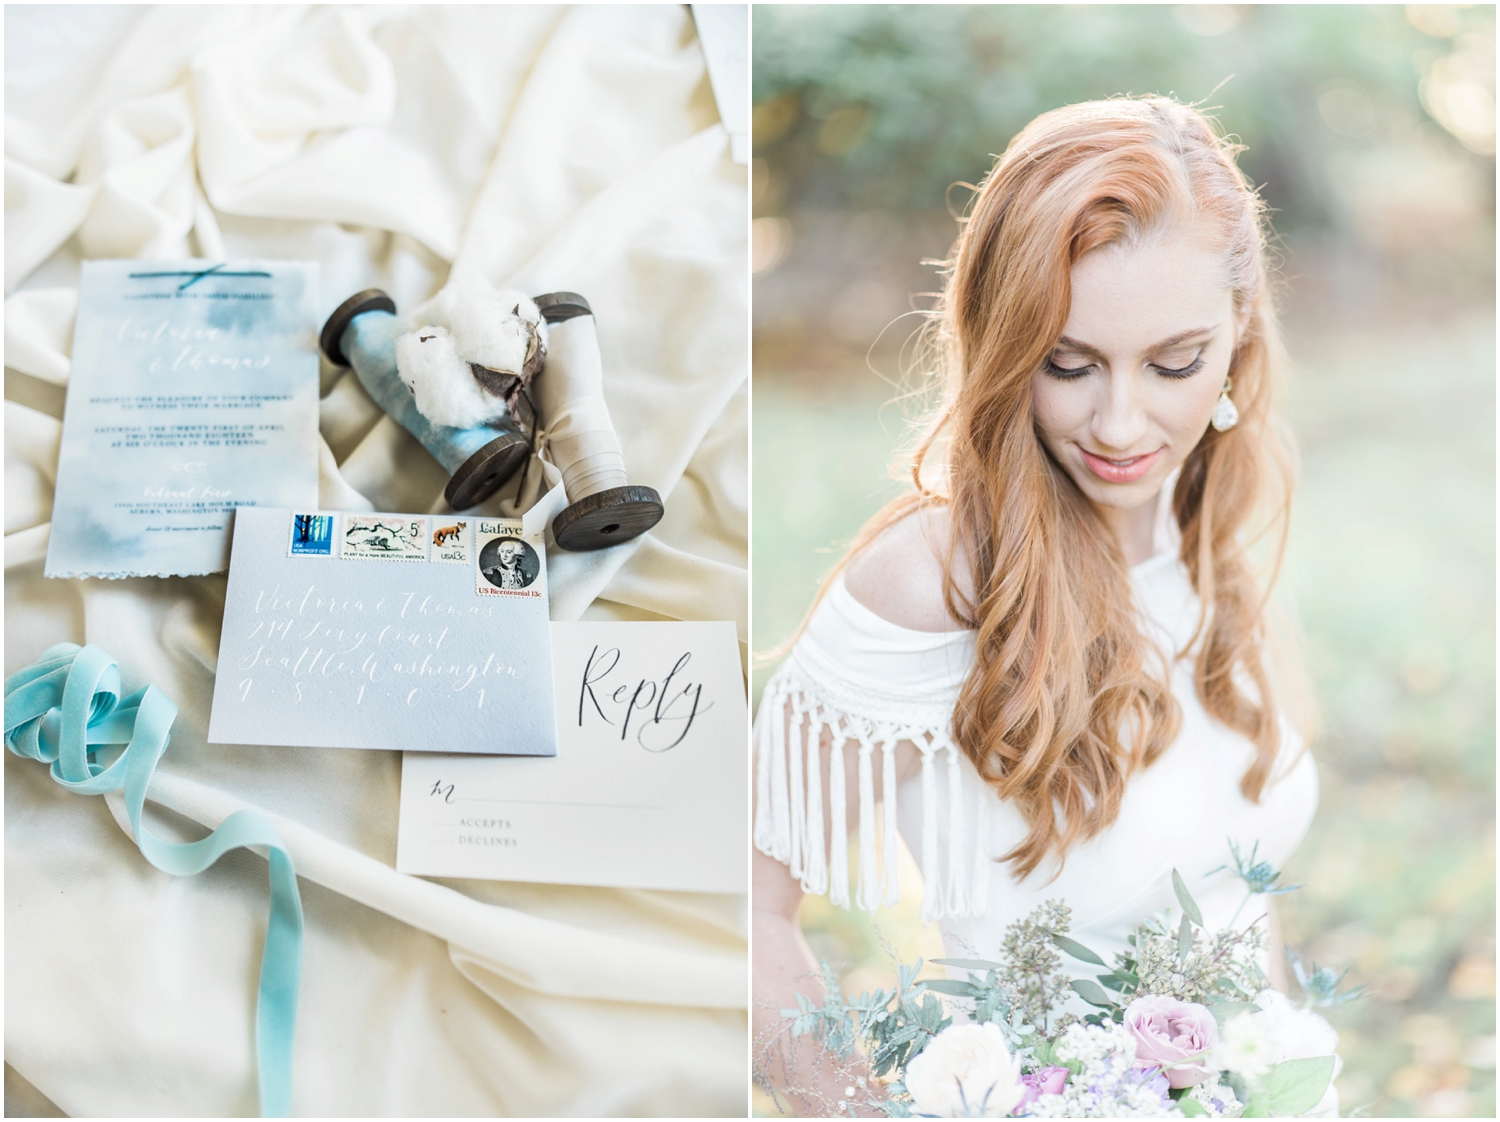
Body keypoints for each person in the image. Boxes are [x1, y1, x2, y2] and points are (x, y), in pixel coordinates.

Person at [752, 96, 1319, 1110]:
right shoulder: (930, 583)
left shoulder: (1204, 531)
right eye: (1068, 364)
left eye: (1175, 363)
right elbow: (737, 912)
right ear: (1007, 349)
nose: (1120, 423)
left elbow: (1239, 899)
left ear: (1238, 339)